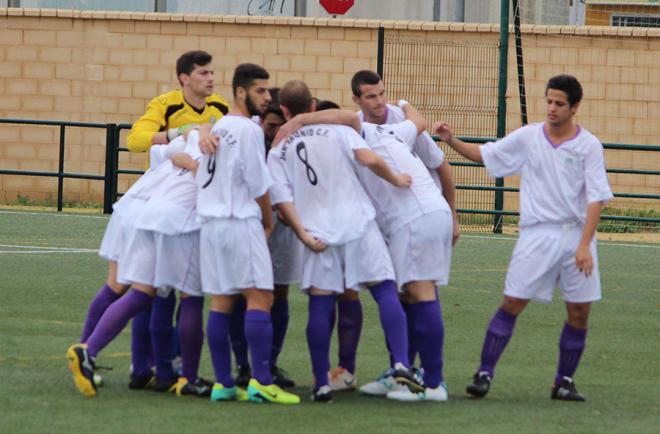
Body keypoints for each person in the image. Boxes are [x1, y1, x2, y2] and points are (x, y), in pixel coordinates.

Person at [433, 74, 612, 401]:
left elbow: (596, 198)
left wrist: (584, 245)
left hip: (576, 237)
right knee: (512, 301)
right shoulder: (529, 137)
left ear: (575, 107)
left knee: (579, 312)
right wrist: (450, 139)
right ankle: (484, 373)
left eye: (559, 103)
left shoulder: (589, 145)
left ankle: (563, 381)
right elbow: (485, 155)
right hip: (537, 235)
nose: (552, 108)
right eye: (549, 101)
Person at [274, 99, 454, 402]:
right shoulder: (359, 131)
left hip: (333, 228)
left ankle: (324, 384)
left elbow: (282, 199)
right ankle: (400, 366)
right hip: (368, 221)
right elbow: (389, 144)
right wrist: (397, 175)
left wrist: (302, 232)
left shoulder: (279, 147)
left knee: (324, 302)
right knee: (390, 291)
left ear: (285, 111)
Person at [186, 63, 299, 404]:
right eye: (260, 91)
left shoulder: (220, 126)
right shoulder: (247, 130)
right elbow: (259, 183)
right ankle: (262, 381)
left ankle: (223, 384)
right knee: (261, 297)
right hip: (238, 221)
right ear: (240, 91)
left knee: (221, 302)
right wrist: (267, 221)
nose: (266, 97)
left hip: (211, 224)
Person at [350, 70, 460, 396]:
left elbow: (441, 164)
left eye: (382, 93)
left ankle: (432, 381)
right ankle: (403, 371)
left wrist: (454, 215)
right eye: (370, 96)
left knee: (422, 292)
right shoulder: (378, 127)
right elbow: (417, 119)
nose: (379, 101)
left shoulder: (385, 125)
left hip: (418, 215)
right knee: (404, 295)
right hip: (405, 221)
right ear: (357, 101)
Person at [67, 141, 186, 397]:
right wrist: (177, 132)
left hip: (141, 209)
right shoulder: (198, 132)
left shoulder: (202, 131)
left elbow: (161, 152)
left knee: (139, 289)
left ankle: (138, 367)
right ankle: (87, 352)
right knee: (137, 288)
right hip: (143, 214)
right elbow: (141, 140)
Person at [227, 89, 297, 389]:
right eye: (271, 127)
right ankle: (243, 365)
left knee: (278, 293)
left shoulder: (295, 142)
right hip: (247, 225)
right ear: (260, 122)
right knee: (239, 295)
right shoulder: (248, 136)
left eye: (281, 128)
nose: (276, 134)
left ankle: (269, 363)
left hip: (281, 228)